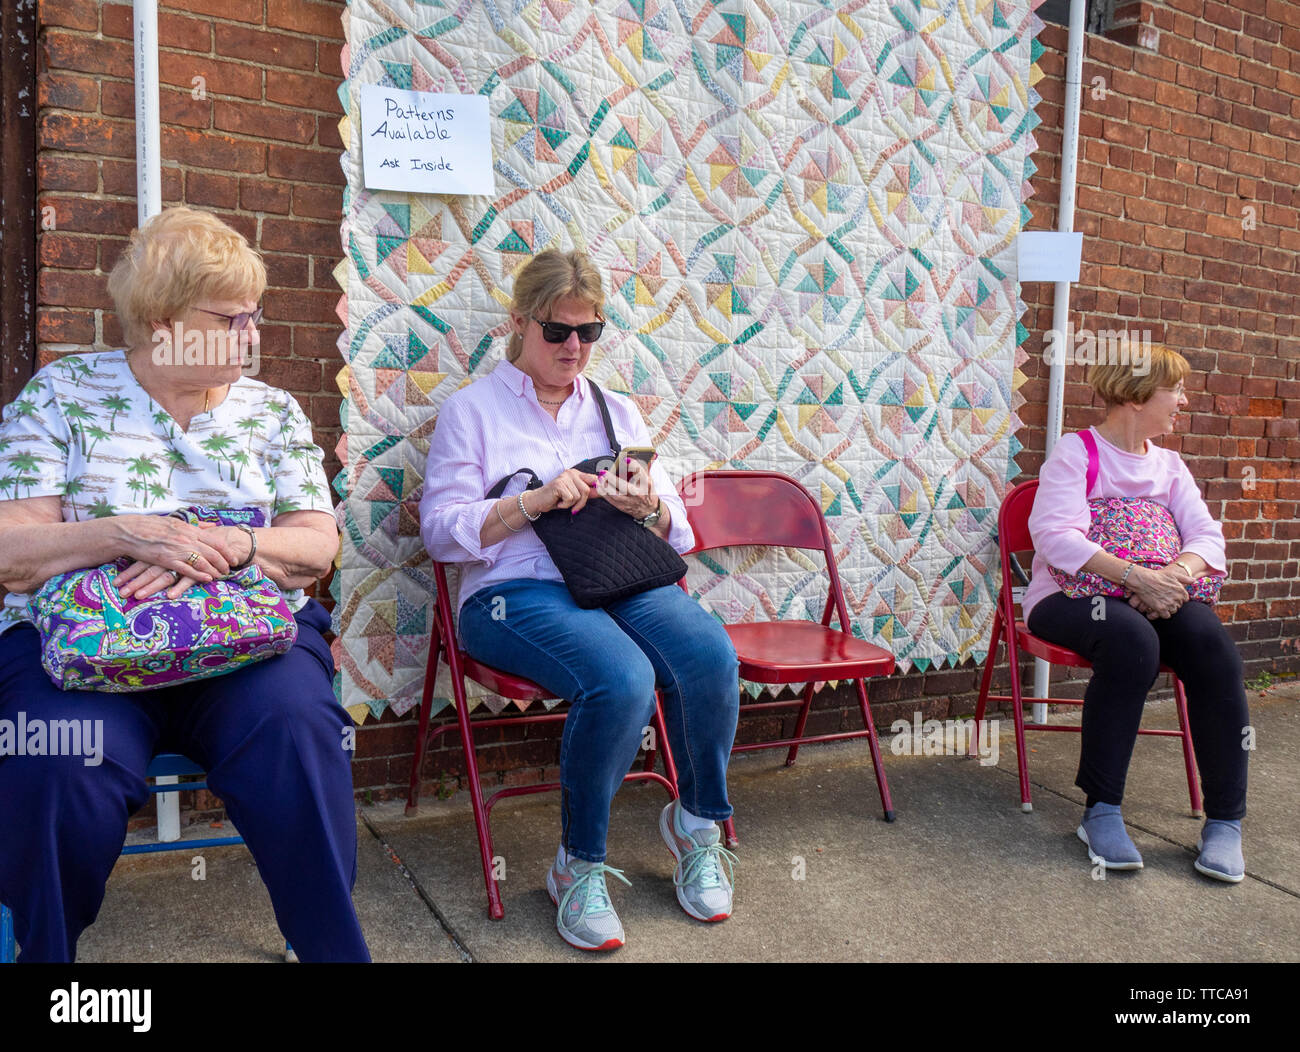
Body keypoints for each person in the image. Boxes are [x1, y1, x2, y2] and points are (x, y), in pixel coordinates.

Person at [0, 206, 370, 961]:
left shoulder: (271, 412)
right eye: (233, 317)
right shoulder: (63, 394)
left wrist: (229, 544)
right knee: (56, 762)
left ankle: (331, 950)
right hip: (81, 653)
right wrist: (121, 534)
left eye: (255, 316)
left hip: (244, 644)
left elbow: (315, 548)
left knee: (301, 733)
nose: (252, 334)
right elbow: (11, 552)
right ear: (163, 319)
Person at [420, 248, 740, 951]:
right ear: (518, 323)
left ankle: (697, 824)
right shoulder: (472, 412)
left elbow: (678, 530)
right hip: (513, 594)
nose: (573, 348)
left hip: (615, 576)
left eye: (588, 333)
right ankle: (579, 865)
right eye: (557, 331)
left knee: (710, 654)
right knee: (622, 679)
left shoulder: (616, 410)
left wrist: (647, 504)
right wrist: (528, 503)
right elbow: (440, 535)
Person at [1021, 344, 1247, 881]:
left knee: (1213, 649)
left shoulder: (1170, 466)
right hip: (1070, 598)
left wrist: (1173, 578)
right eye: (1177, 390)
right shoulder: (1078, 453)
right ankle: (1101, 810)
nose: (1184, 402)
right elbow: (1054, 537)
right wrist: (1133, 576)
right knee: (1131, 643)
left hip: (1161, 589)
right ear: (1137, 394)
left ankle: (1225, 823)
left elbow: (1207, 537)